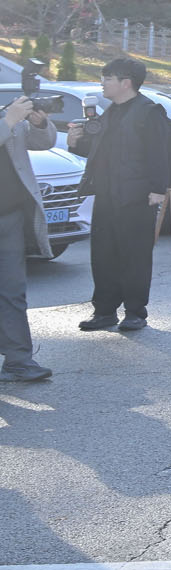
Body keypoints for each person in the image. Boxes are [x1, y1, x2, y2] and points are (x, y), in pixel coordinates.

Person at [69, 56, 171, 333]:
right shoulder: (110, 112)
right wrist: (76, 144)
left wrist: (158, 190)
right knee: (103, 255)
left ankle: (135, 312)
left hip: (137, 196)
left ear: (126, 83)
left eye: (108, 78)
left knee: (134, 256)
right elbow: (102, 152)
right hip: (106, 194)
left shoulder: (149, 112)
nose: (102, 83)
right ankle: (104, 311)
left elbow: (158, 153)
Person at [1, 92, 58, 380]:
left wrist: (38, 124)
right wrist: (8, 122)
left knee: (13, 291)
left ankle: (18, 360)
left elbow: (43, 142)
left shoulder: (5, 112)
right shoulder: (6, 118)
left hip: (9, 217)